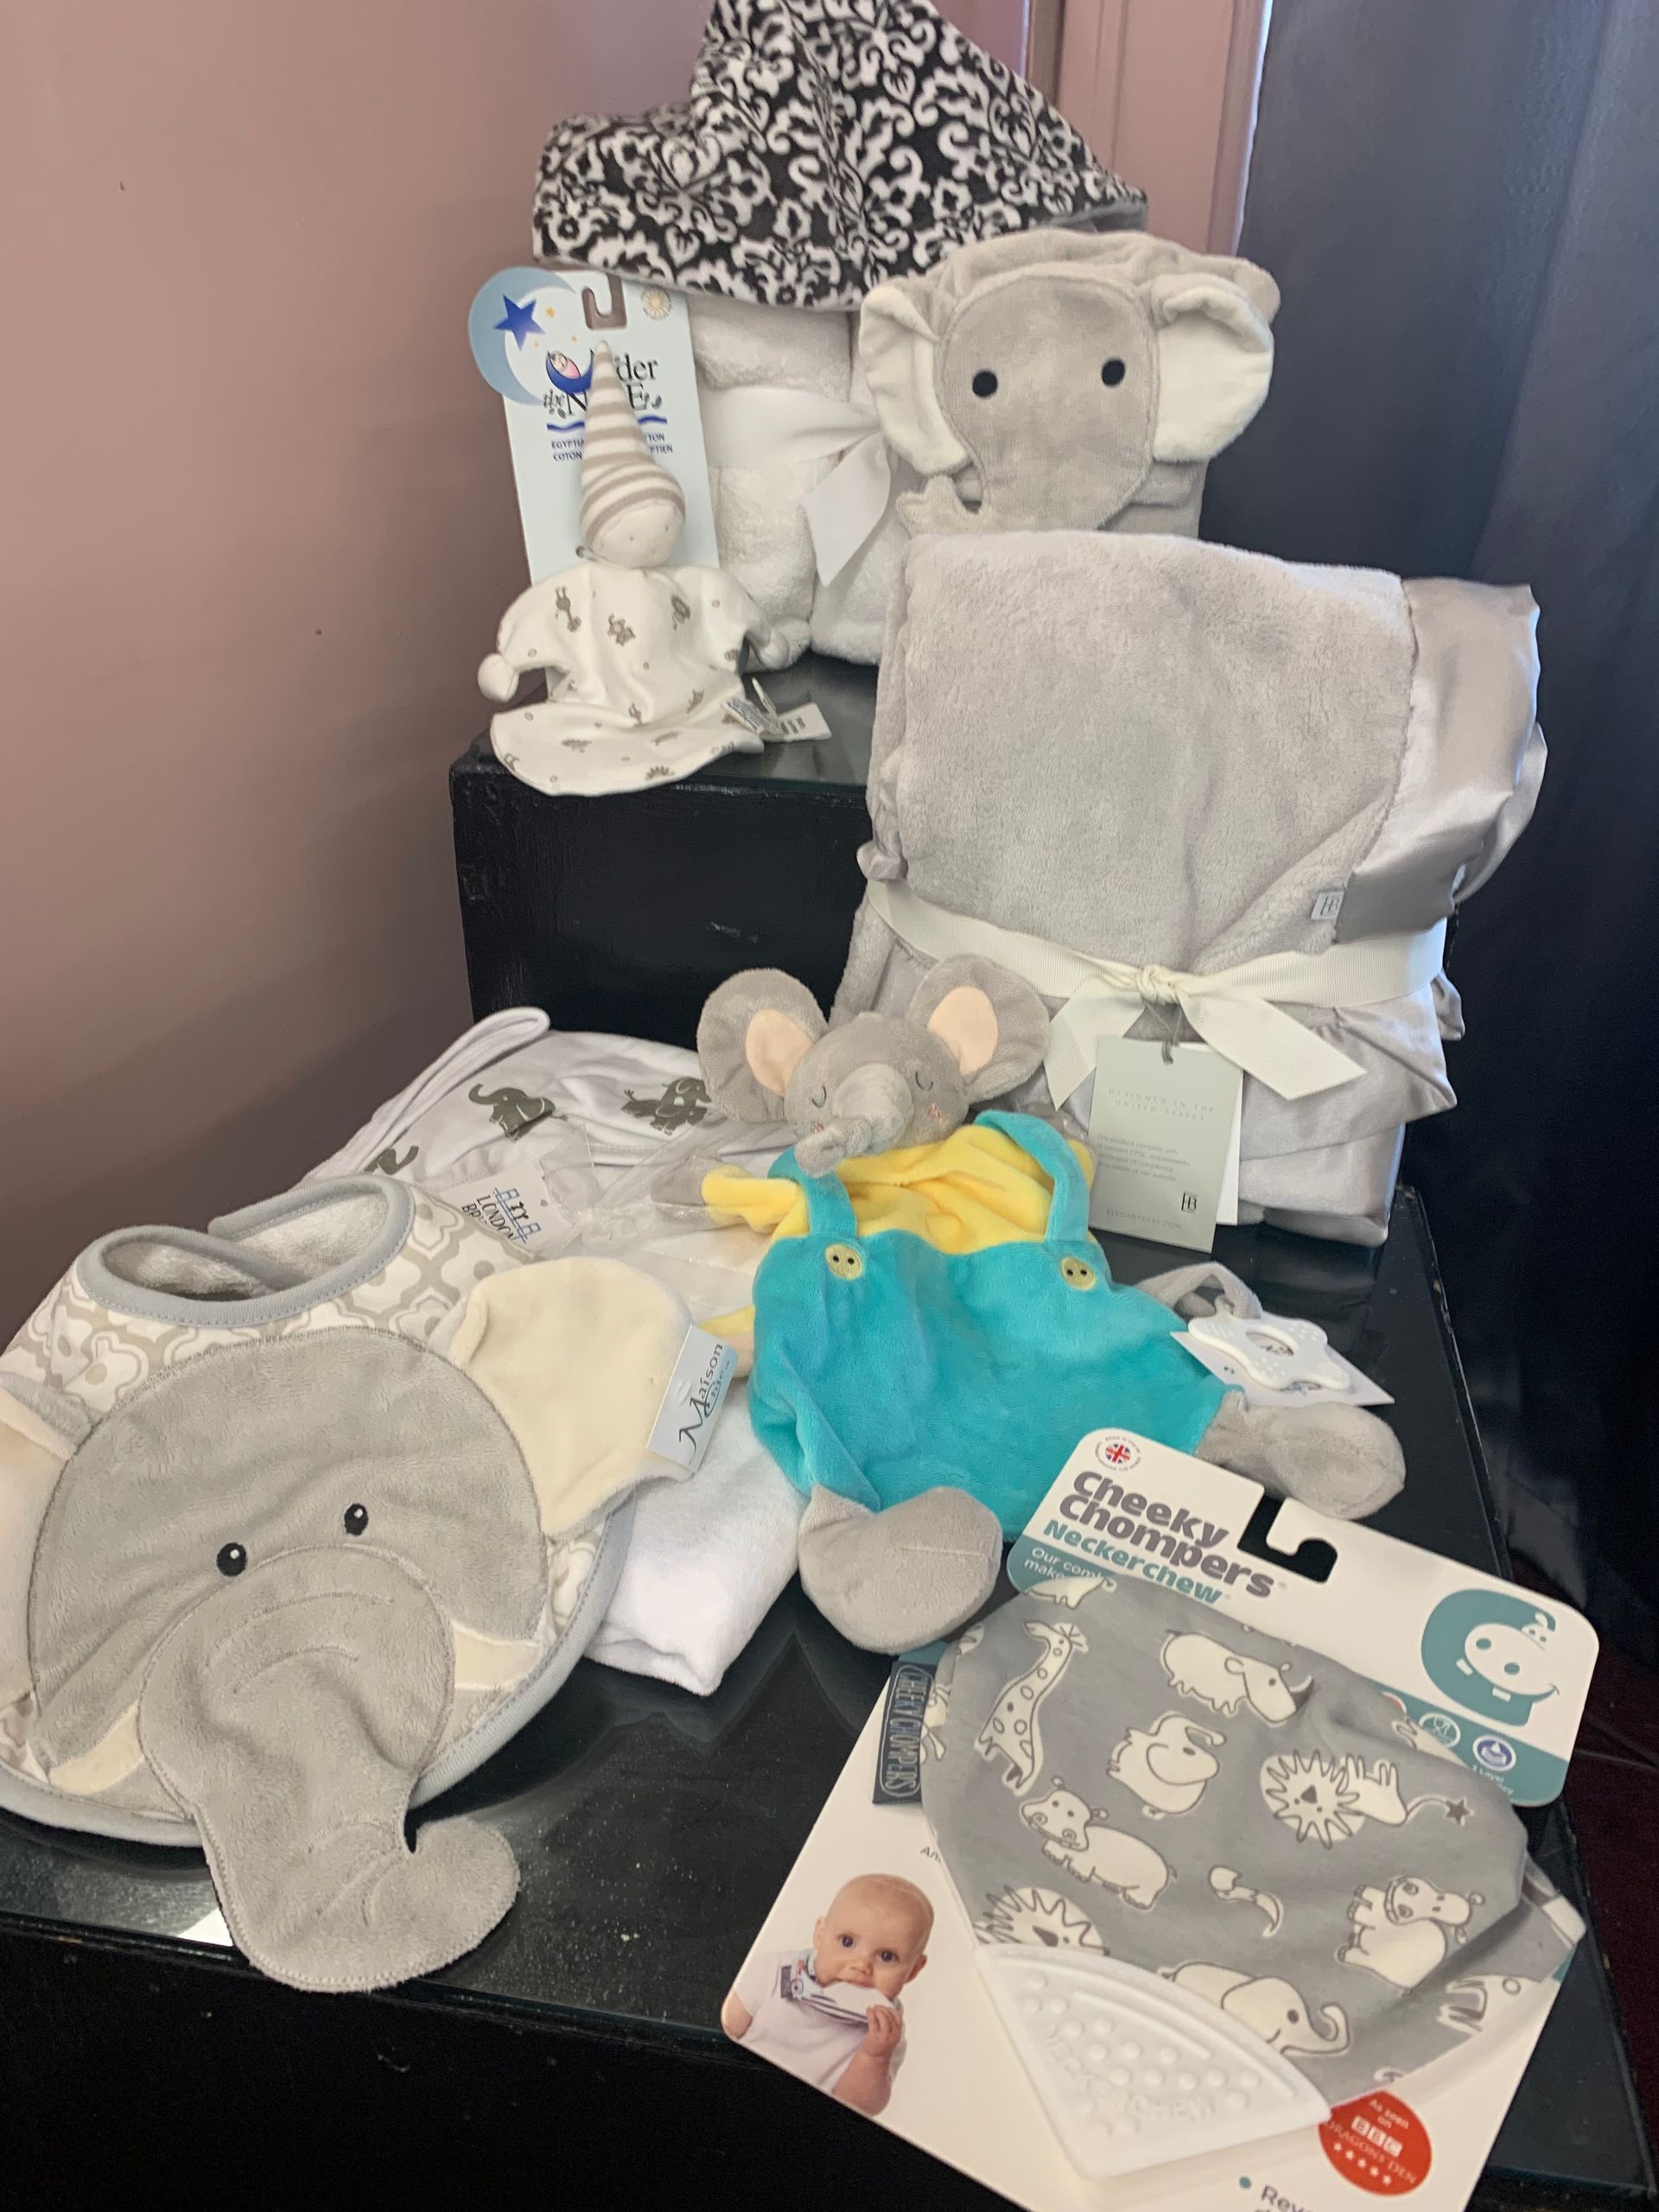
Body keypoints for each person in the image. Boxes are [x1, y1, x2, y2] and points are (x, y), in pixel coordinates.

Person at [721, 1872, 932, 2114]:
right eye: (847, 1942)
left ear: (913, 1970)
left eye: (887, 1956)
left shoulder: (884, 2031)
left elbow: (858, 2107)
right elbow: (727, 2027)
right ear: (820, 1935)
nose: (861, 1965)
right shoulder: (777, 1971)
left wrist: (874, 2057)